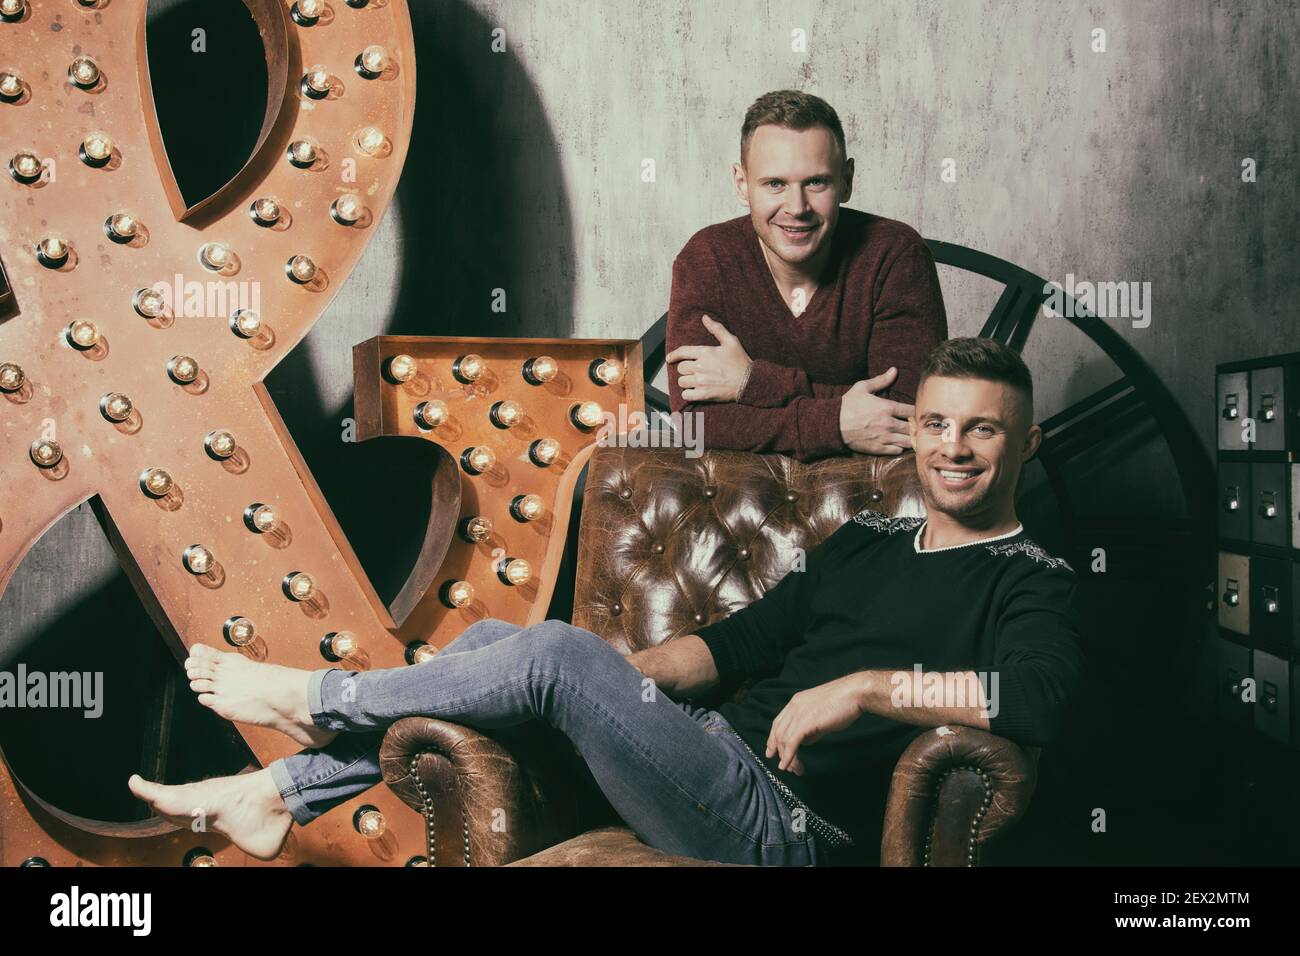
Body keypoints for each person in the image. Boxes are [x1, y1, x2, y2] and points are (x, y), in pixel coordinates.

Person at [128, 337, 1086, 867]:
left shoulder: (1033, 579)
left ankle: (316, 703)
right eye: (936, 423)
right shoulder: (868, 545)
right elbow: (734, 644)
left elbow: (1040, 700)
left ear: (1026, 444)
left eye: (983, 431)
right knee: (516, 645)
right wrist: (618, 682)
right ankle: (273, 795)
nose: (954, 448)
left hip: (787, 824)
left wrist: (869, 688)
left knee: (546, 653)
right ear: (912, 432)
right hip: (705, 756)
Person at [665, 89, 948, 463]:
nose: (796, 208)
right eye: (775, 184)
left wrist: (752, 382)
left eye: (816, 182)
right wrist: (835, 422)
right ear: (741, 183)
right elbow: (693, 424)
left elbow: (905, 413)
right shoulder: (707, 258)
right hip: (745, 499)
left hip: (870, 492)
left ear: (846, 180)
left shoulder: (895, 255)